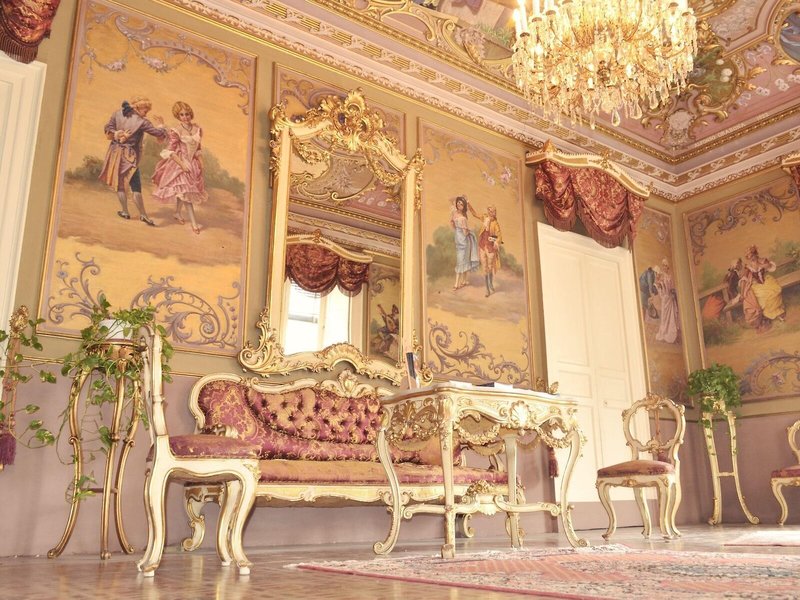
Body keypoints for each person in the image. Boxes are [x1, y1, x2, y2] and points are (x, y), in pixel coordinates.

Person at [99, 97, 166, 226]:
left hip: (115, 154)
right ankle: (143, 215)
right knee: (135, 185)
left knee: (120, 184)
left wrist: (116, 133)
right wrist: (162, 126)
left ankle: (125, 212)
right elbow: (158, 133)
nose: (146, 113)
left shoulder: (117, 113)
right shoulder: (142, 122)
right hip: (130, 157)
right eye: (145, 110)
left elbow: (108, 127)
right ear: (137, 107)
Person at [151, 101, 208, 234]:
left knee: (183, 191)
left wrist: (201, 163)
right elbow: (170, 151)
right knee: (186, 192)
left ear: (190, 114)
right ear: (178, 116)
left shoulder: (197, 129)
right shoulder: (176, 130)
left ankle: (177, 212)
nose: (185, 117)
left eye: (187, 114)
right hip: (180, 163)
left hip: (193, 164)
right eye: (182, 115)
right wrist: (182, 165)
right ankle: (194, 224)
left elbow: (198, 149)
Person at [743, 245, 786, 329]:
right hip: (757, 286)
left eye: (752, 256)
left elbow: (770, 267)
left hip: (766, 281)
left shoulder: (763, 260)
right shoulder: (748, 266)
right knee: (762, 297)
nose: (751, 258)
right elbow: (744, 278)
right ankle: (769, 316)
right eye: (749, 257)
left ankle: (776, 314)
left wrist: (760, 264)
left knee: (774, 292)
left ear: (756, 254)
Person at [469, 203, 502, 297]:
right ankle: (487, 289)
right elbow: (474, 214)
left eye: (493, 211)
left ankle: (490, 283)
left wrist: (495, 241)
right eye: (490, 211)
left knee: (490, 267)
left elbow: (499, 237)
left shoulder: (495, 224)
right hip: (482, 246)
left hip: (490, 248)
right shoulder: (484, 217)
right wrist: (468, 203)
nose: (492, 213)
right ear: (488, 211)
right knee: (484, 268)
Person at [450, 195, 479, 290]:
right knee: (461, 261)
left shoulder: (458, 216)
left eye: (461, 204)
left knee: (463, 260)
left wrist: (459, 231)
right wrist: (469, 232)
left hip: (461, 240)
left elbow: (454, 225)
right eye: (458, 202)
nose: (459, 204)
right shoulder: (460, 216)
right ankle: (458, 283)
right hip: (461, 240)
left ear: (464, 206)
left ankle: (462, 282)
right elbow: (464, 231)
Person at [654, 258, 680, 344]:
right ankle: (664, 332)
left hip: (670, 298)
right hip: (665, 298)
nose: (664, 267)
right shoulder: (661, 275)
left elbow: (671, 287)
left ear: (668, 267)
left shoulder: (670, 276)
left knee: (672, 316)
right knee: (665, 317)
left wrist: (673, 292)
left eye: (666, 266)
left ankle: (671, 334)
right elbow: (658, 284)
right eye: (663, 266)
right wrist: (660, 285)